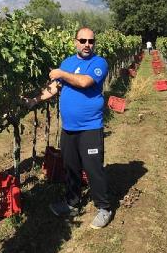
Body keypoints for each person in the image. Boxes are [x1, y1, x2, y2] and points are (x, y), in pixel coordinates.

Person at [24, 27, 114, 229]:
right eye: (83, 40)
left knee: (93, 169)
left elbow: (84, 82)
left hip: (90, 127)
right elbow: (55, 87)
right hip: (69, 127)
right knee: (71, 167)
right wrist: (34, 100)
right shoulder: (67, 62)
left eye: (91, 41)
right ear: (75, 42)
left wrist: (62, 73)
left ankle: (104, 208)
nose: (87, 45)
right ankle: (72, 202)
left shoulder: (99, 63)